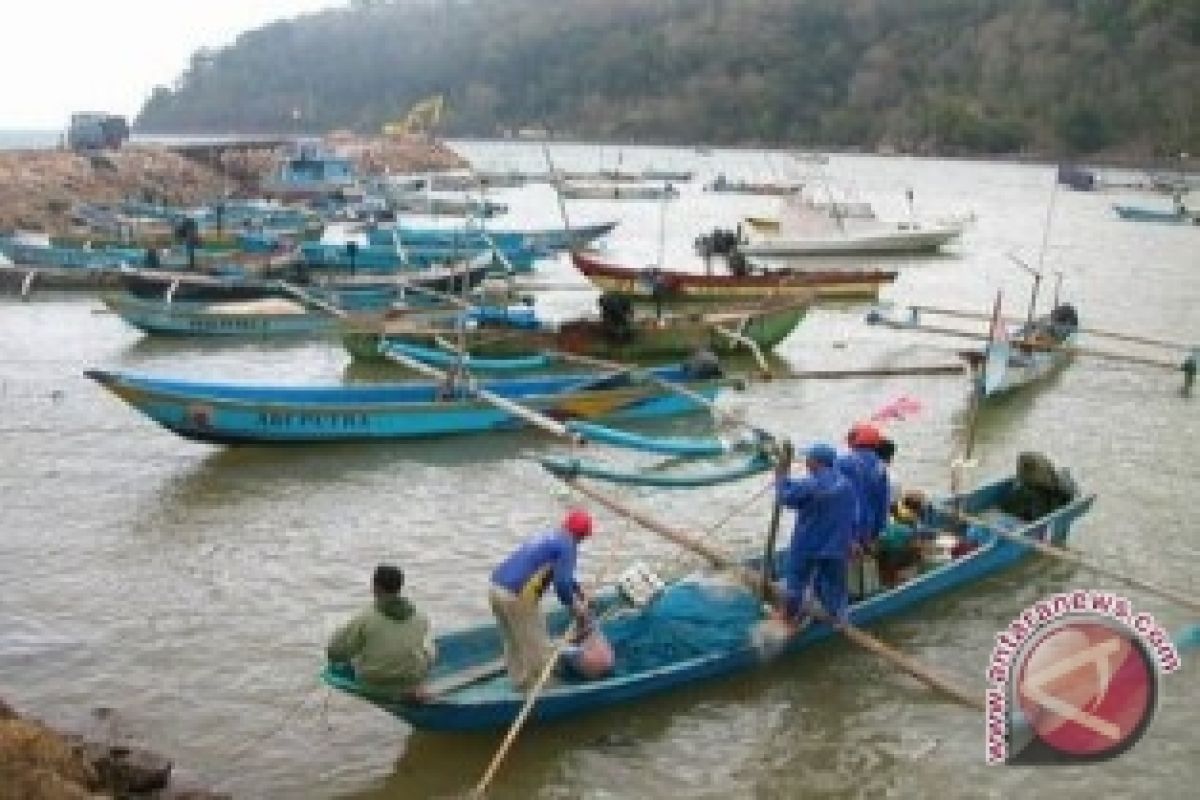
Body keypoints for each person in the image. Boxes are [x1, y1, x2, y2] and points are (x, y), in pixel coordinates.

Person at [489, 509, 594, 692]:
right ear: (582, 536)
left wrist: (577, 589)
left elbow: (558, 573)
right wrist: (574, 606)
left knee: (513, 640)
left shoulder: (549, 536)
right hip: (517, 596)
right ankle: (542, 688)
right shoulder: (568, 545)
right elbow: (561, 584)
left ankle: (520, 682)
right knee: (539, 646)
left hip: (495, 588)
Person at [773, 443, 857, 627]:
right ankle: (839, 617)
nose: (806, 463)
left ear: (816, 462)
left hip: (808, 543)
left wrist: (780, 478)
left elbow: (785, 497)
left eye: (808, 459)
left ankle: (789, 617)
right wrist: (851, 540)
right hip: (836, 544)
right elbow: (853, 515)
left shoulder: (810, 483)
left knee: (796, 581)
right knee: (835, 584)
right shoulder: (846, 483)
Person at [326, 564, 435, 701]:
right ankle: (413, 690)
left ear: (376, 587)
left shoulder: (365, 617)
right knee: (429, 647)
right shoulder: (420, 616)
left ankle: (398, 690)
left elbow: (334, 652)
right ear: (399, 587)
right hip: (411, 680)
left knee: (356, 651)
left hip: (374, 683)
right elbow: (428, 653)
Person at [837, 422, 891, 553]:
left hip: (845, 530)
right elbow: (882, 504)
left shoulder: (842, 462)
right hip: (868, 529)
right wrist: (877, 533)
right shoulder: (880, 467)